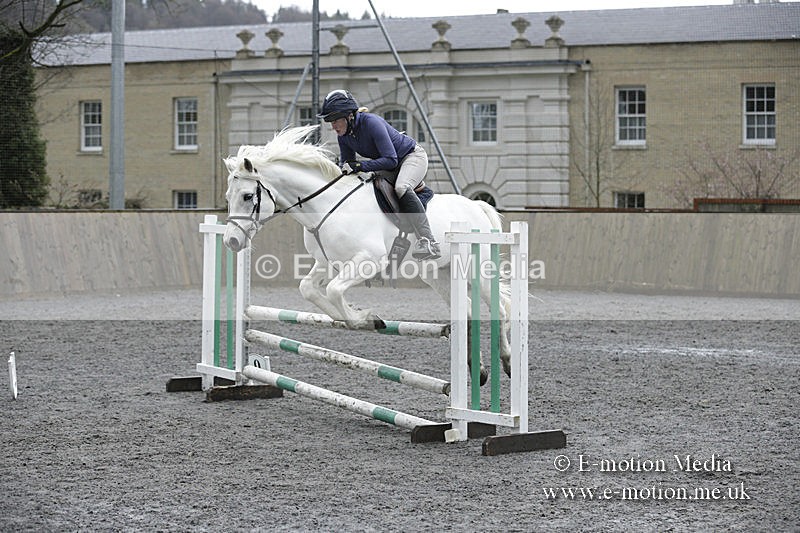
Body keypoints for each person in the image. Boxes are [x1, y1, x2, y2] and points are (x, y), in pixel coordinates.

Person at [317, 89, 441, 261]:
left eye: (336, 120)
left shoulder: (371, 123)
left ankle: (428, 241)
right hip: (389, 165)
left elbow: (391, 160)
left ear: (349, 116)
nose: (333, 126)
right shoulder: (344, 137)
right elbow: (348, 166)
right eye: (330, 121)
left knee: (401, 187)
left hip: (411, 157)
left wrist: (360, 166)